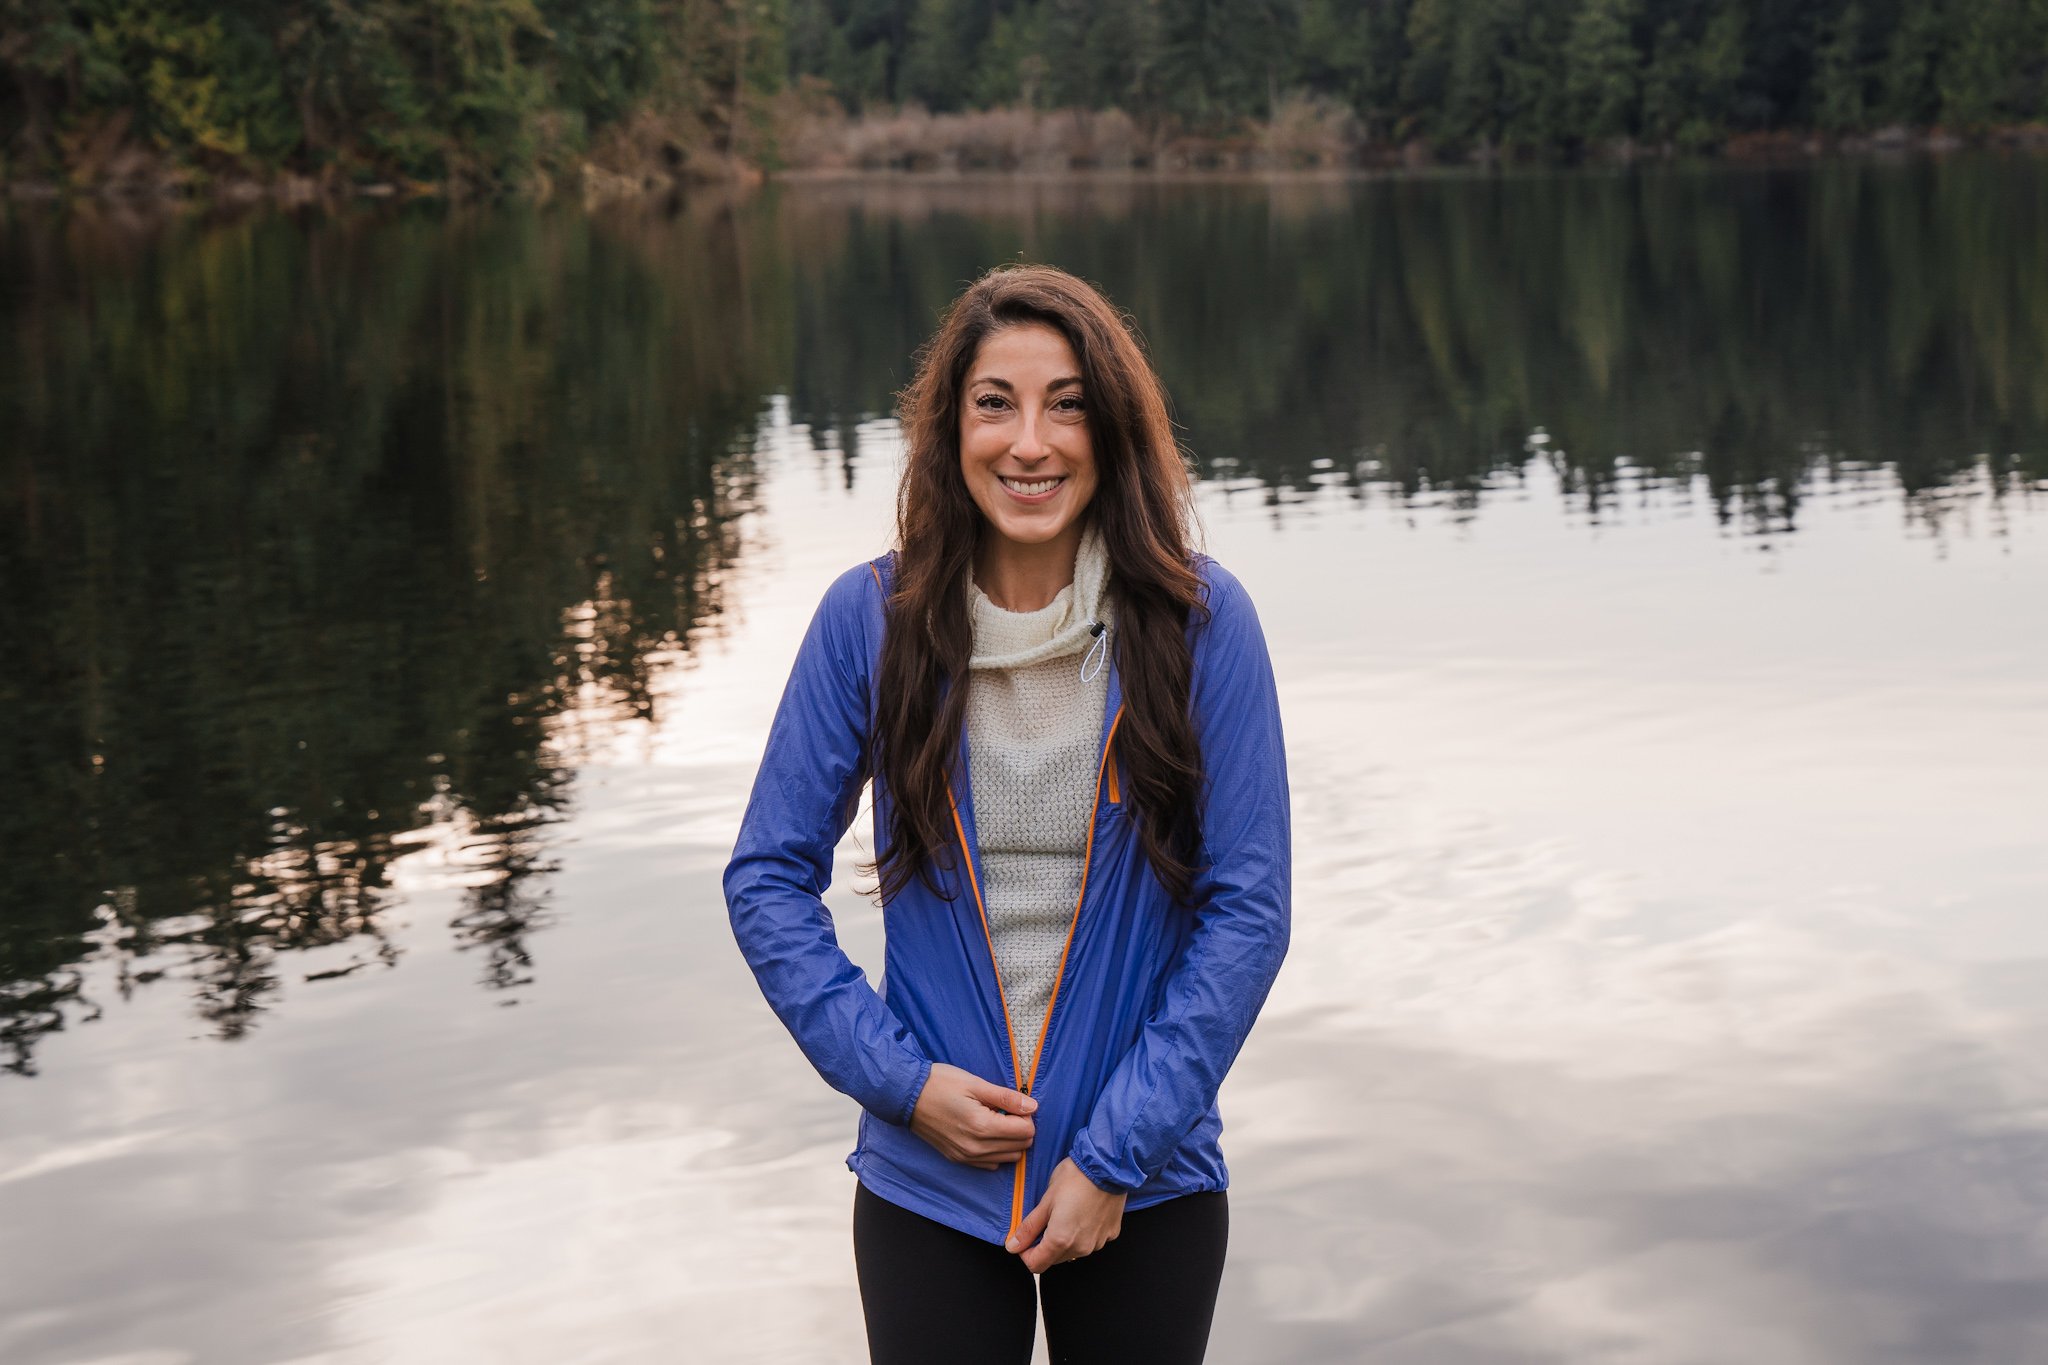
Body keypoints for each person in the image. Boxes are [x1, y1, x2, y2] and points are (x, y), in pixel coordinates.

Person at [724, 264, 1290, 1365]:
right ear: (951, 427)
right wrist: (902, 1083)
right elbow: (765, 879)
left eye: (1065, 404)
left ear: (1110, 430)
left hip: (1147, 1183)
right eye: (996, 403)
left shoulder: (1200, 625)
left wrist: (1112, 1157)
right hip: (928, 1187)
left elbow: (1247, 913)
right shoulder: (870, 624)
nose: (1029, 442)